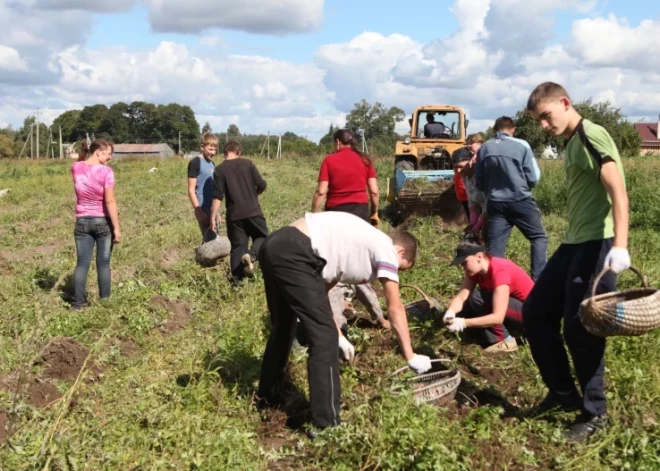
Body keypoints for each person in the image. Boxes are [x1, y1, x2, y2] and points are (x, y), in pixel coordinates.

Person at [257, 211, 432, 435]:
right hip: (296, 250)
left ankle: (266, 397)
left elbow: (321, 294)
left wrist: (339, 335)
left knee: (284, 327)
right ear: (401, 251)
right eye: (401, 268)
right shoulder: (386, 248)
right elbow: (395, 307)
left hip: (275, 245)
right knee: (323, 336)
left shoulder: (356, 247)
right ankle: (327, 424)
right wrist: (410, 355)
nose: (395, 274)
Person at [523, 82, 630, 442]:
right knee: (536, 311)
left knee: (580, 326)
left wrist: (621, 244)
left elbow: (618, 188)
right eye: (538, 120)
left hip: (597, 245)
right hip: (574, 243)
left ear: (565, 103)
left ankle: (595, 412)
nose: (543, 125)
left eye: (546, 116)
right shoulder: (571, 143)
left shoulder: (591, 134)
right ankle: (563, 394)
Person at [312, 128, 389, 330]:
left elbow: (321, 191)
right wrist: (374, 213)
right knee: (357, 261)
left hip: (335, 216)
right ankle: (379, 316)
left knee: (334, 264)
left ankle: (335, 321)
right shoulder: (365, 160)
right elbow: (374, 191)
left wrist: (314, 216)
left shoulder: (329, 160)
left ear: (337, 143)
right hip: (360, 214)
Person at [475, 116, 548, 281]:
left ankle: (494, 284)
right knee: (538, 237)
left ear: (494, 130)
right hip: (520, 201)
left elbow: (479, 182)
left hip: (495, 204)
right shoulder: (521, 146)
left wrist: (492, 191)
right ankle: (538, 281)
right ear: (512, 130)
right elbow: (533, 178)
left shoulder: (484, 148)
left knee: (495, 249)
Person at [443, 241, 532, 353]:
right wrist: (450, 311)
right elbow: (461, 297)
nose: (463, 268)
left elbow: (498, 317)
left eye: (465, 263)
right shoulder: (475, 272)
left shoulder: (499, 271)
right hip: (515, 309)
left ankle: (505, 340)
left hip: (533, 316)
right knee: (470, 303)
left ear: (479, 257)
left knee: (479, 298)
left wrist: (464, 323)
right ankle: (509, 329)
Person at [71, 138, 121, 310]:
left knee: (82, 263)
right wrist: (117, 228)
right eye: (108, 154)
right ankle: (105, 302)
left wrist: (84, 151)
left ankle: (77, 304)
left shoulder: (76, 168)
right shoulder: (107, 172)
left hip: (82, 222)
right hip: (102, 223)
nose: (110, 158)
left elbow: (81, 161)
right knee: (103, 263)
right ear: (98, 152)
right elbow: (110, 201)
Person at [210, 141, 268, 282]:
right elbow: (261, 184)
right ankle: (252, 256)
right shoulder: (248, 164)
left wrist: (213, 217)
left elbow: (218, 196)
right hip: (253, 211)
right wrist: (254, 194)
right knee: (263, 237)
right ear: (239, 152)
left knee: (237, 248)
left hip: (234, 216)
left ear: (224, 153)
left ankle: (237, 283)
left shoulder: (219, 169)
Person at [187, 132, 219, 243]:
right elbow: (191, 190)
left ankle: (208, 259)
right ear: (202, 146)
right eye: (210, 149)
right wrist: (199, 211)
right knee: (209, 238)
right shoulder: (196, 163)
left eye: (215, 150)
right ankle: (203, 259)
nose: (213, 153)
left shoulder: (212, 164)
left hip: (212, 206)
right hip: (202, 207)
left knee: (214, 237)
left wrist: (216, 212)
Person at [463, 133, 488, 243]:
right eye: (467, 144)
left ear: (479, 143)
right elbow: (472, 199)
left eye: (471, 143)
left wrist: (478, 224)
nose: (468, 146)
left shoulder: (483, 156)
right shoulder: (466, 175)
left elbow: (489, 205)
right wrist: (473, 222)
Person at [451, 147, 470, 220]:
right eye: (455, 167)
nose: (458, 170)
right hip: (463, 198)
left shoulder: (474, 177)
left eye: (461, 166)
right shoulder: (458, 174)